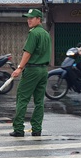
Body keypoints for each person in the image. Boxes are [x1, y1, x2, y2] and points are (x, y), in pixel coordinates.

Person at [10, 8, 51, 137]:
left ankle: (18, 129)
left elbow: (28, 53)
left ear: (39, 19)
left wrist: (19, 68)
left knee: (22, 98)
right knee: (39, 101)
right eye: (28, 18)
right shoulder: (46, 33)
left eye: (31, 18)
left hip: (32, 69)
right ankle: (37, 129)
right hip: (43, 70)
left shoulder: (34, 33)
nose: (29, 20)